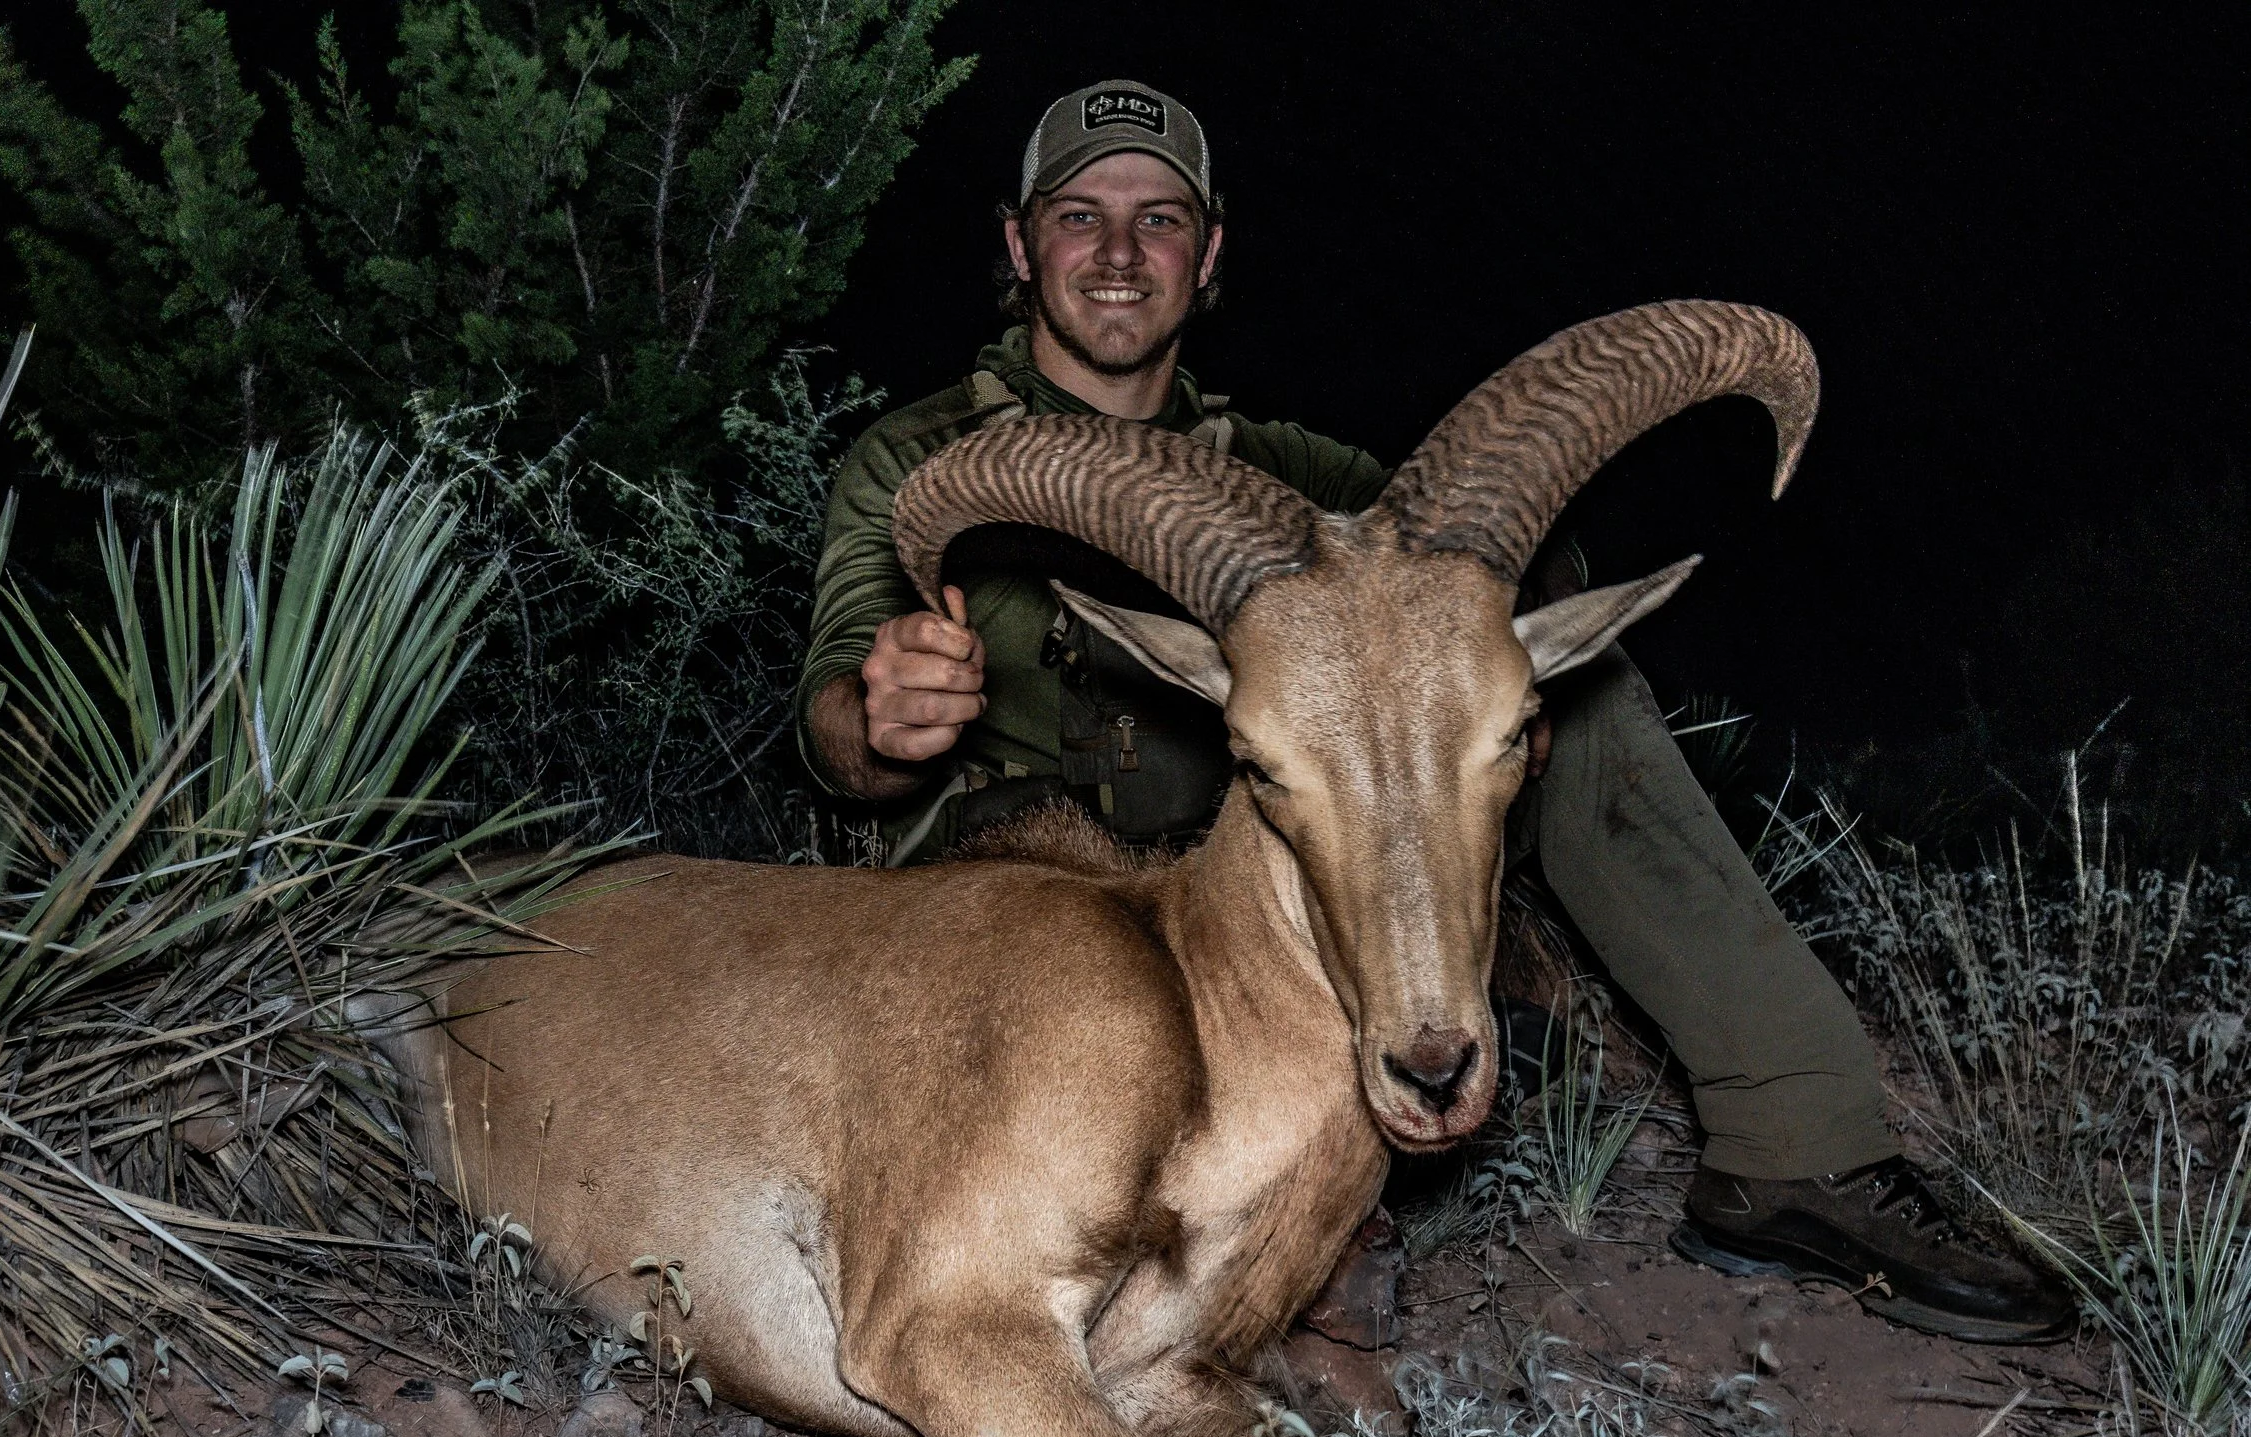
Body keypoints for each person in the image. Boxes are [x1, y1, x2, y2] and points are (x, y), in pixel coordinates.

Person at [796, 79, 2070, 1344]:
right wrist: (880, 713)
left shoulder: (1298, 476)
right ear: (1018, 245)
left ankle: (1797, 1144)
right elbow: (833, 736)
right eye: (1079, 216)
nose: (1121, 252)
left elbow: (1484, 609)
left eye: (1160, 218)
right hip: (1018, 921)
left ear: (1211, 250)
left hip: (1273, 897)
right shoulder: (914, 460)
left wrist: (1503, 692)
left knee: (1570, 679)